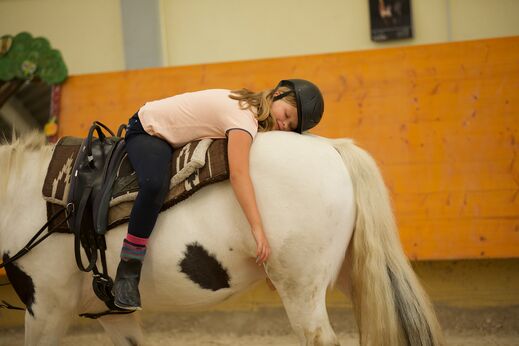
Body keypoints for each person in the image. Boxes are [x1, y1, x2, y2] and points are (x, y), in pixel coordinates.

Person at [113, 79, 325, 310]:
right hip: (148, 129)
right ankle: (128, 268)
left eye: (291, 125)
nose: (284, 124)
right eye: (286, 114)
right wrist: (257, 229)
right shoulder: (242, 117)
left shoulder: (251, 115)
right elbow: (239, 175)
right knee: (154, 184)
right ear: (278, 94)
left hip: (173, 135)